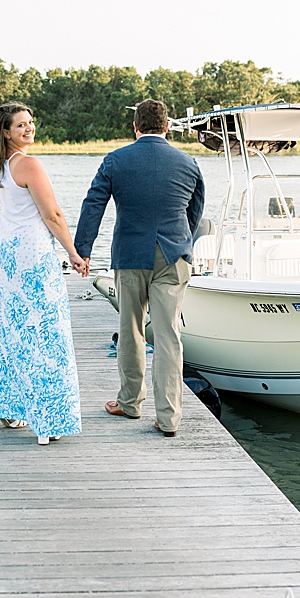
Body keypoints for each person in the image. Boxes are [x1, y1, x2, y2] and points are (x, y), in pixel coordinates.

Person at [73, 99, 206, 437]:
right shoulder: (188, 163)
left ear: (135, 127)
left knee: (131, 329)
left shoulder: (116, 160)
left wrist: (82, 250)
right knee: (168, 335)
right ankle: (168, 417)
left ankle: (130, 403)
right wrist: (183, 244)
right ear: (167, 127)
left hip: (131, 254)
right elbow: (195, 210)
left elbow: (94, 204)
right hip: (173, 256)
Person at [0, 103, 86, 446]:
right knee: (46, 332)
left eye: (30, 123)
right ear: (6, 132)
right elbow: (53, 214)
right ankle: (49, 419)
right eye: (21, 125)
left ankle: (5, 410)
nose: (29, 129)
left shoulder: (1, 164)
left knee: (12, 329)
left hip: (7, 251)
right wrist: (73, 252)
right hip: (31, 254)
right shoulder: (28, 164)